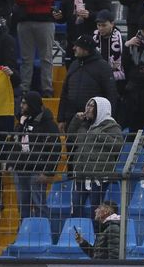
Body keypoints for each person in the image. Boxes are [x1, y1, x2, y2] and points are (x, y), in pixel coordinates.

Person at [67, 96, 123, 217]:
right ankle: (78, 234)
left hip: (98, 176)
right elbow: (71, 137)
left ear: (101, 109)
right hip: (81, 174)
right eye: (88, 105)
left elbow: (118, 145)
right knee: (76, 207)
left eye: (92, 106)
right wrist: (76, 120)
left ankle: (97, 234)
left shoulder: (111, 126)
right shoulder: (84, 126)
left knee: (96, 211)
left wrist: (99, 134)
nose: (88, 108)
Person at [14, 91, 62, 220]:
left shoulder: (48, 124)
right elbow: (16, 143)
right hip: (20, 169)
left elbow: (56, 148)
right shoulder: (23, 121)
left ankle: (42, 235)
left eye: (24, 103)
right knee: (22, 205)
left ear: (32, 105)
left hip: (38, 169)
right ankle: (23, 235)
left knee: (39, 204)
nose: (21, 106)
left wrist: (49, 172)